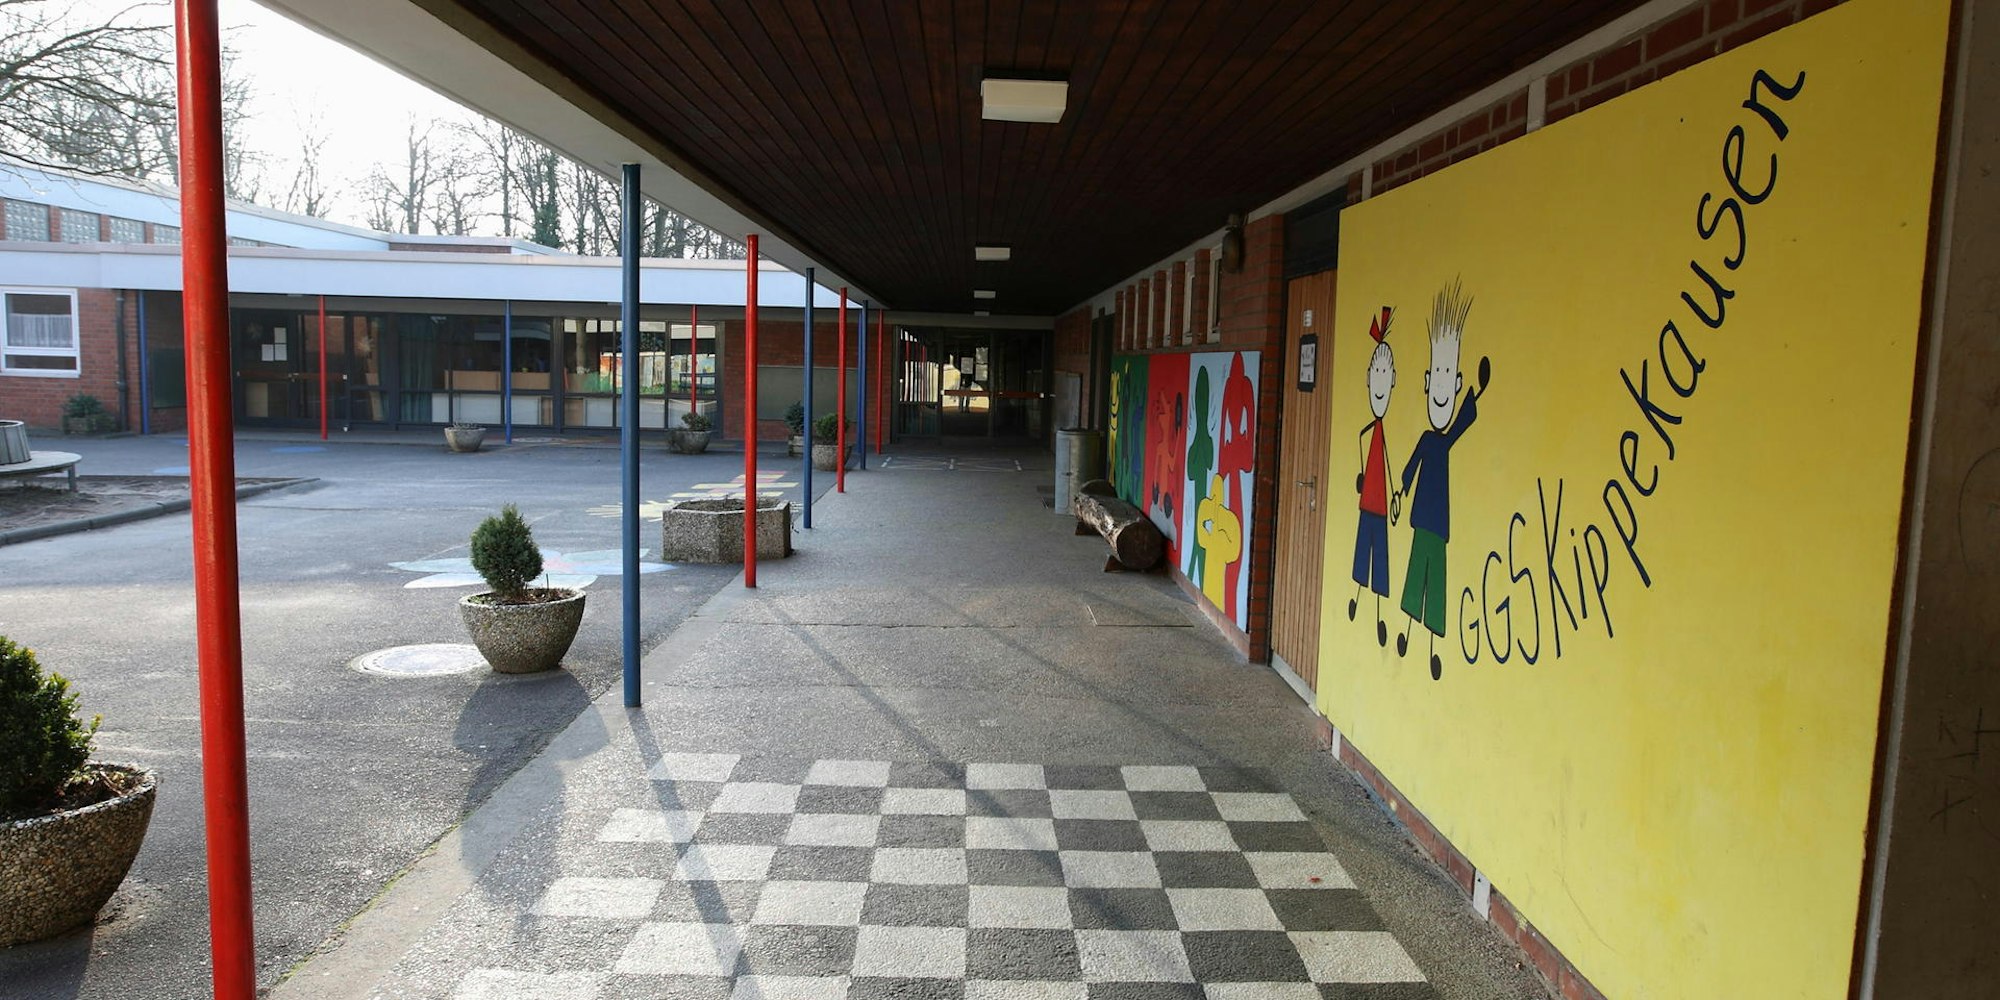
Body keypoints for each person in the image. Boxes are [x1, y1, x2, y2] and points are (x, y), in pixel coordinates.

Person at [1397, 281, 1488, 680]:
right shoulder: (1427, 440)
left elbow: (1463, 423)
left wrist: (1476, 396)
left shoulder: (1444, 440)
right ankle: (1406, 629)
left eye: (1448, 380)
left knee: (1437, 580)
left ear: (1455, 385)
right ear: (1427, 382)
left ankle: (1433, 646)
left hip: (1437, 523)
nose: (1440, 389)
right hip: (1423, 519)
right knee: (1417, 571)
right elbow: (1410, 467)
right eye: (1436, 377)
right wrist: (1401, 489)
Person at [1348, 308, 1398, 647]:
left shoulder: (1380, 435)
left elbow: (1390, 467)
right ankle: (1356, 596)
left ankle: (1379, 613)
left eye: (1385, 374)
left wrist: (1393, 495)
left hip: (1379, 506)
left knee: (1380, 559)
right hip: (1368, 503)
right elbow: (1363, 458)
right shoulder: (1367, 433)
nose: (1379, 382)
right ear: (1369, 378)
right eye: (1376, 373)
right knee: (1362, 553)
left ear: (1392, 380)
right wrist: (1360, 479)